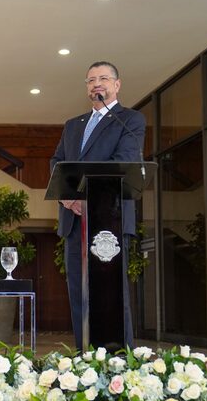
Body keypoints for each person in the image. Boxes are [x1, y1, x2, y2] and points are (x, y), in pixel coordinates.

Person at [50, 61, 146, 352]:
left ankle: (120, 362)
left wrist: (86, 195)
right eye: (91, 80)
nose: (97, 84)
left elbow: (124, 160)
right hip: (74, 221)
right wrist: (68, 198)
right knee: (79, 294)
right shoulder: (73, 125)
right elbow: (57, 163)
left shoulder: (129, 120)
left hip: (109, 220)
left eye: (104, 78)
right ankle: (83, 360)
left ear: (117, 85)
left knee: (113, 295)